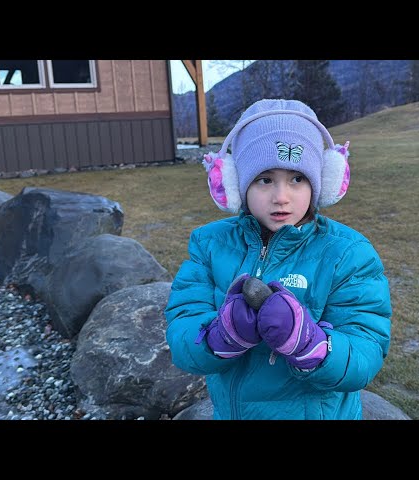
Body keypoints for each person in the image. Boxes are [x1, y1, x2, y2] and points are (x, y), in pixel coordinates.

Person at [165, 99, 391, 420]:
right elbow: (182, 333)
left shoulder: (348, 253)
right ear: (235, 184)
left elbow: (366, 352)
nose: (281, 196)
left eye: (297, 178)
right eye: (265, 179)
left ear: (321, 182)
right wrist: (220, 337)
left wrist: (311, 345)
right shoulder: (209, 245)